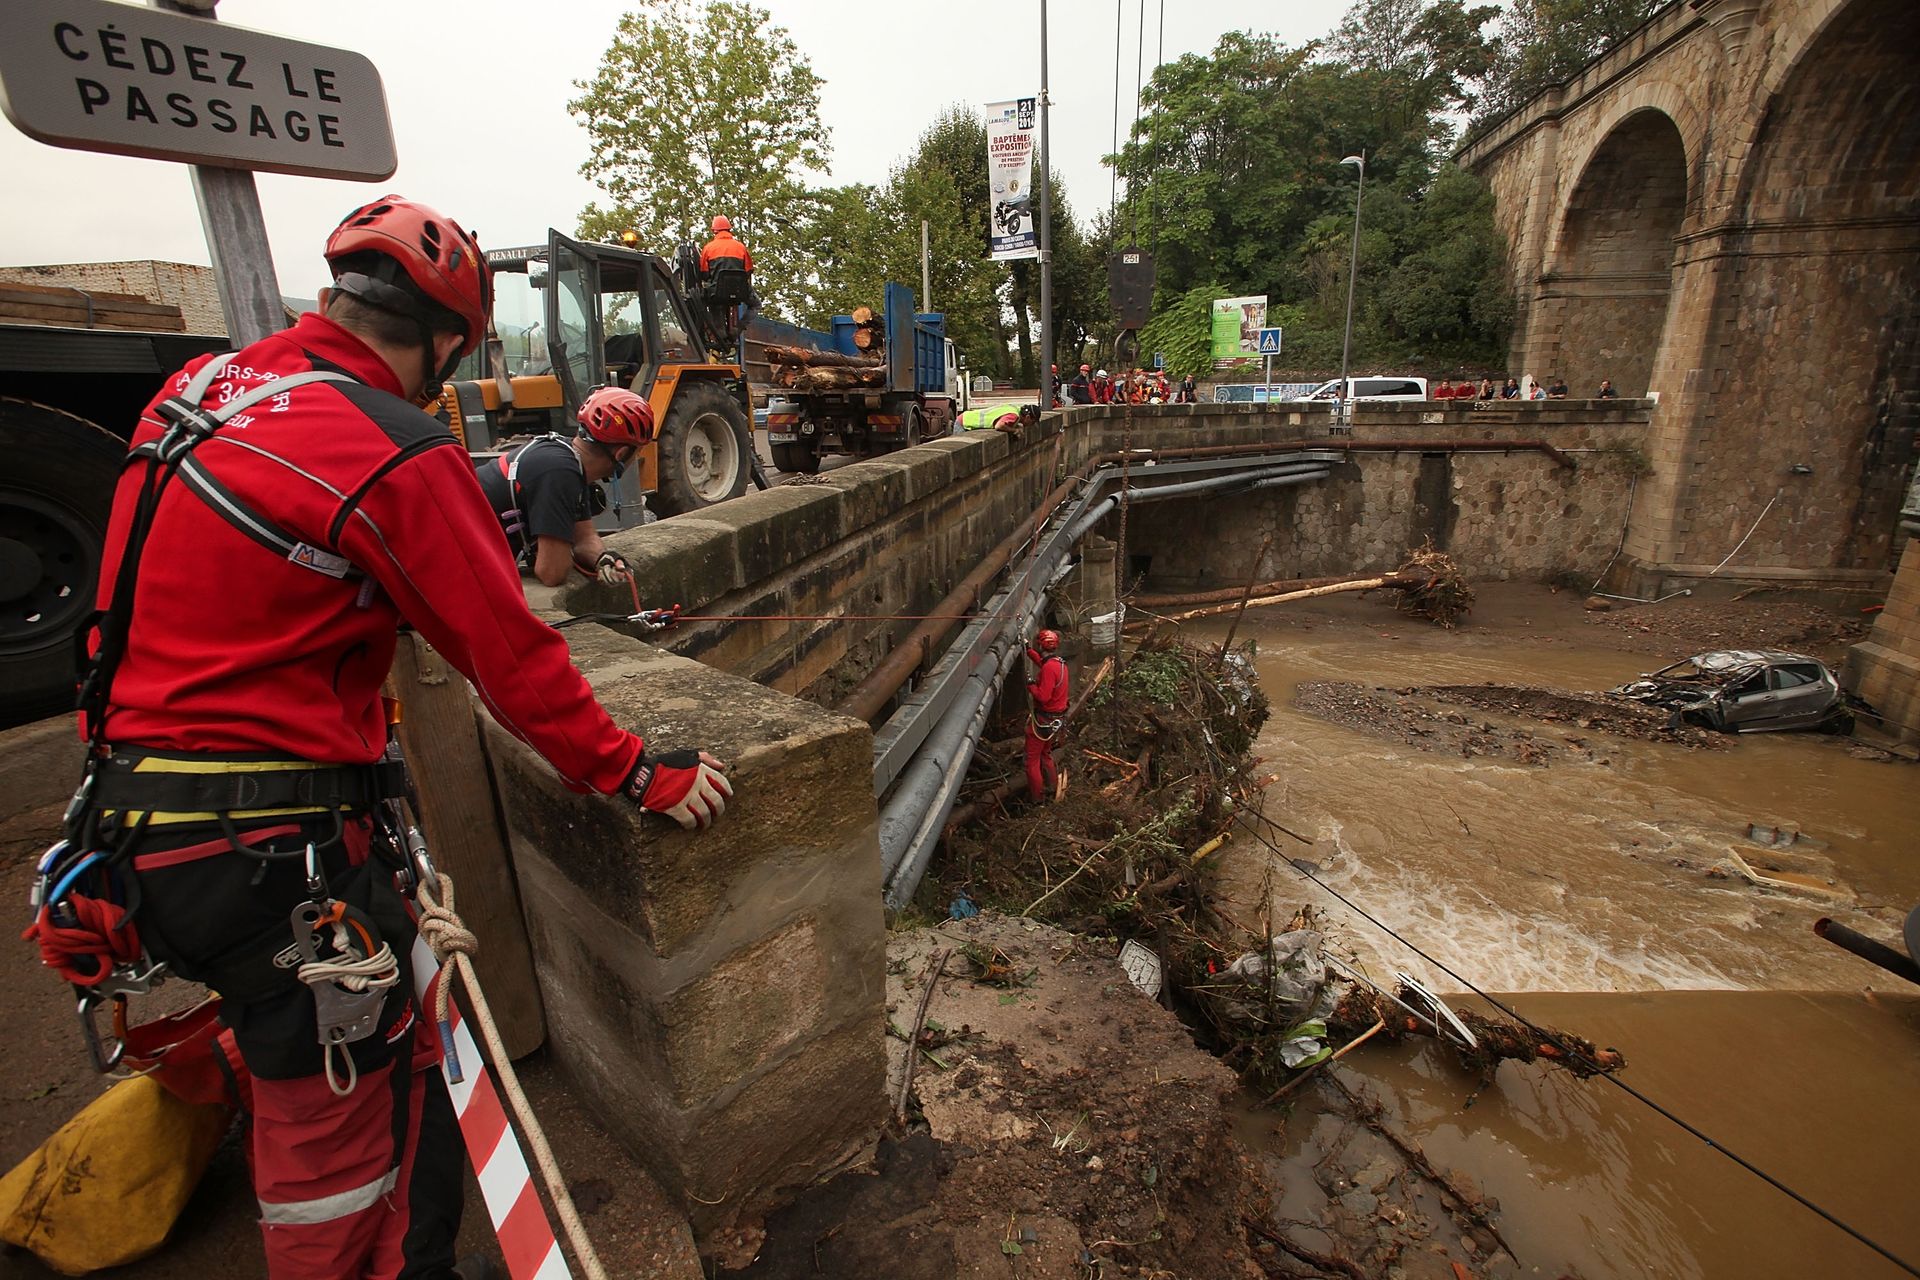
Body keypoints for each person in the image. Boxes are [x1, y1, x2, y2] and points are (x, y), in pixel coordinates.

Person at [55, 195, 734, 1280]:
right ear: (449, 340)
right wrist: (637, 767)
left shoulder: (197, 391)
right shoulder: (388, 442)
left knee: (382, 1059)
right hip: (269, 851)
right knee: (342, 1133)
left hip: (127, 821)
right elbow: (511, 654)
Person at [477, 386, 653, 587]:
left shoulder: (570, 461)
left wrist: (603, 558)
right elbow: (552, 572)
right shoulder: (560, 472)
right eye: (637, 452)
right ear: (621, 453)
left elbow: (584, 538)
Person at [1024, 628, 1069, 802]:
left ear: (1041, 644)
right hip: (1055, 721)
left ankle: (1038, 799)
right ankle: (1052, 788)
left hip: (1043, 721)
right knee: (1046, 754)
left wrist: (1030, 685)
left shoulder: (1049, 668)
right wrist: (1029, 651)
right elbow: (1043, 663)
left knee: (1031, 761)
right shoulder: (1059, 664)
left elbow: (1043, 696)